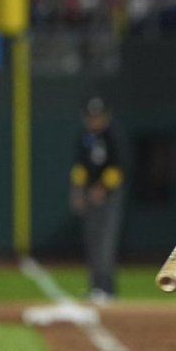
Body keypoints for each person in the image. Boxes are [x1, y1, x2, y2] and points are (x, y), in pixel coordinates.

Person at [70, 96, 127, 303]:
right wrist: (78, 191)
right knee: (92, 241)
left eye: (97, 116)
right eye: (91, 116)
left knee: (105, 242)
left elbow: (119, 168)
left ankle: (107, 288)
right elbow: (80, 167)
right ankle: (95, 286)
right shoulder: (85, 136)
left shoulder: (112, 135)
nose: (94, 120)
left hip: (110, 196)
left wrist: (102, 188)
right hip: (89, 195)